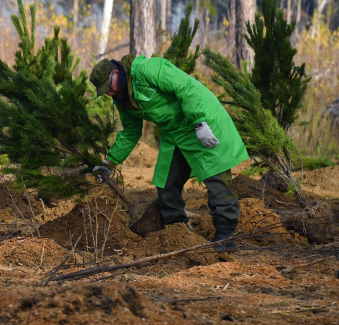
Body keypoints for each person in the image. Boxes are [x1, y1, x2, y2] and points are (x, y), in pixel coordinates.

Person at [89, 54, 248, 251]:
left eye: (109, 86)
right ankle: (177, 232)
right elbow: (130, 132)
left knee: (216, 177)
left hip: (200, 120)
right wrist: (109, 163)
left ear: (115, 72)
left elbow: (186, 87)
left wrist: (199, 122)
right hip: (174, 133)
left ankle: (225, 236)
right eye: (105, 91)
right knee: (166, 183)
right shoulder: (123, 100)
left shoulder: (147, 69)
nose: (109, 93)